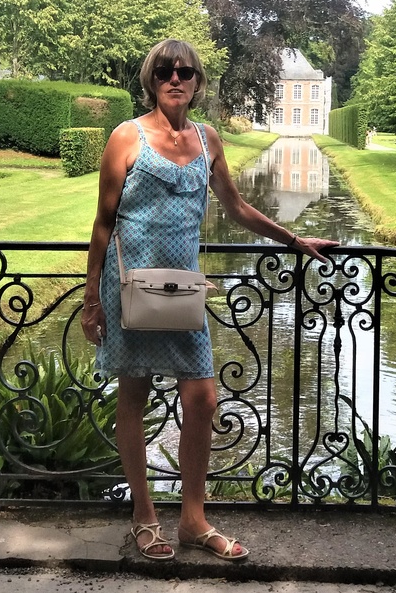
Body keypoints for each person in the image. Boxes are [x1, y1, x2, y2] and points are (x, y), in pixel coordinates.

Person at [81, 38, 338, 563]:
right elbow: (103, 222)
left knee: (202, 399)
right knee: (133, 395)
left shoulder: (208, 138)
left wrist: (294, 240)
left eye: (185, 72)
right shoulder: (126, 136)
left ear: (197, 82)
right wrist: (91, 299)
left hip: (182, 289)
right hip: (129, 288)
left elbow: (237, 207)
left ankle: (193, 521)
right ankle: (144, 515)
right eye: (164, 72)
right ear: (152, 80)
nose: (175, 79)